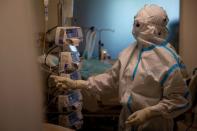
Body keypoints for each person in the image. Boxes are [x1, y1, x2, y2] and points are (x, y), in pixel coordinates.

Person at [51, 4, 191, 131]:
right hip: (127, 119)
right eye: (135, 23)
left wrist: (149, 112)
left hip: (155, 124)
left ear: (152, 29)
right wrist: (77, 83)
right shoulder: (129, 52)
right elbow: (110, 79)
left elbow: (180, 99)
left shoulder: (167, 61)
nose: (134, 28)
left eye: (138, 24)